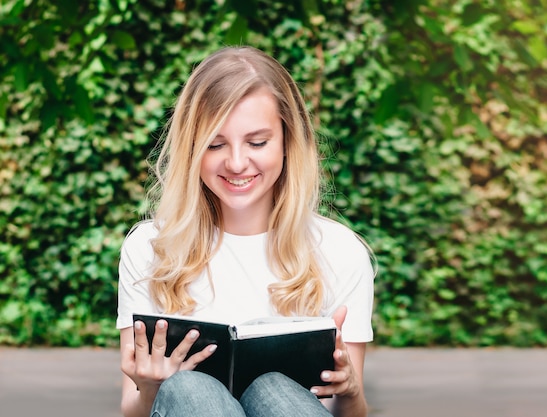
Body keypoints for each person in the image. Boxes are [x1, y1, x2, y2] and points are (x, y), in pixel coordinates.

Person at [116, 46, 375, 417]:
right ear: (191, 148)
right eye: (215, 144)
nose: (237, 163)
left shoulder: (339, 250)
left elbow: (348, 409)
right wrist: (153, 387)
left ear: (288, 141)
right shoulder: (151, 247)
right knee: (191, 389)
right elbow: (132, 409)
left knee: (275, 390)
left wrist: (349, 393)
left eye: (257, 142)